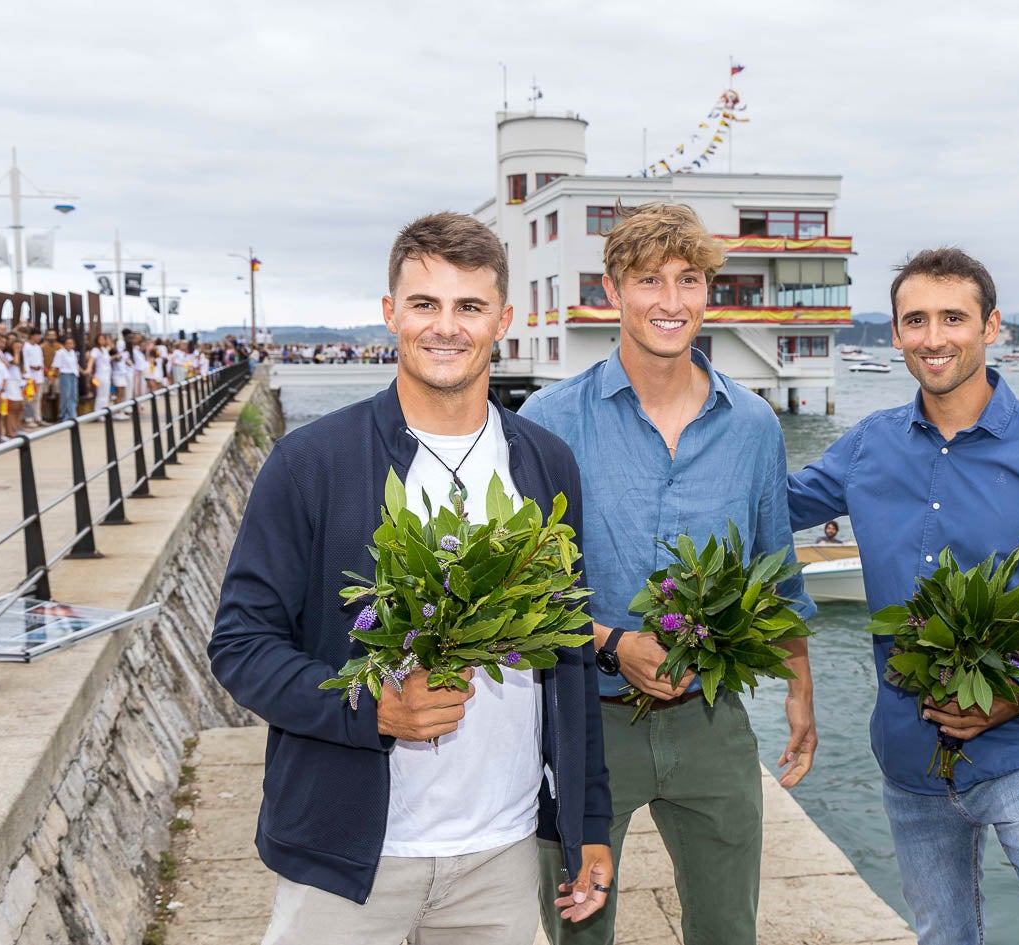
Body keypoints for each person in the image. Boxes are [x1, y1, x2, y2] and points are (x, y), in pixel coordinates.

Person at [208, 211, 613, 945]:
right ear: (390, 312)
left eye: (469, 306)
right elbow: (240, 646)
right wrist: (372, 710)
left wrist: (587, 821)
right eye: (424, 304)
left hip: (503, 849)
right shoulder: (310, 462)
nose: (445, 327)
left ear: (503, 320)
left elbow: (570, 651)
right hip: (349, 853)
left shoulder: (547, 463)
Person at [788, 248, 1019, 945]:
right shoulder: (867, 446)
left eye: (952, 317)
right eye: (914, 319)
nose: (933, 336)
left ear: (991, 325)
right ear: (893, 333)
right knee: (941, 936)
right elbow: (765, 504)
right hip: (909, 755)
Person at [520, 202, 818, 945]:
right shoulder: (548, 419)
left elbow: (774, 568)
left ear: (708, 291)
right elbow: (521, 593)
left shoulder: (751, 425)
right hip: (583, 723)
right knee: (578, 935)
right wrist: (614, 642)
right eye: (648, 279)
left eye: (688, 279)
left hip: (712, 719)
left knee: (726, 929)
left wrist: (800, 689)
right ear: (613, 289)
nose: (670, 300)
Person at [52, 335, 81, 422]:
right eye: (68, 343)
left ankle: (72, 414)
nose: (70, 345)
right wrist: (52, 376)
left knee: (73, 395)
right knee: (66, 395)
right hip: (65, 374)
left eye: (71, 343)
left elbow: (76, 365)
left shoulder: (73, 353)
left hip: (73, 375)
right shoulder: (60, 352)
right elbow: (55, 365)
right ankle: (63, 415)